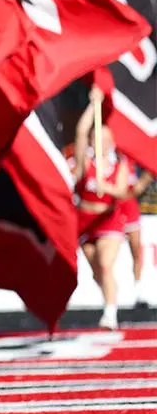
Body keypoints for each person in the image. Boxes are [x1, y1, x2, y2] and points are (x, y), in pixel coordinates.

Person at [73, 87, 130, 330]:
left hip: (108, 219)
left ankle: (110, 312)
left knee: (106, 264)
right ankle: (109, 294)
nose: (102, 143)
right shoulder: (86, 162)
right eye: (98, 139)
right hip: (84, 219)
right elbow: (79, 131)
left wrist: (105, 186)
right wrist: (93, 104)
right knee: (97, 270)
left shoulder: (119, 166)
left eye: (106, 140)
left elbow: (122, 191)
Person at [117, 162, 153, 308]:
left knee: (136, 252)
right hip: (112, 211)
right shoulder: (108, 162)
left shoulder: (133, 162)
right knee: (107, 254)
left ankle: (138, 290)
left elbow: (137, 188)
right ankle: (110, 293)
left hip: (130, 211)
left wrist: (144, 180)